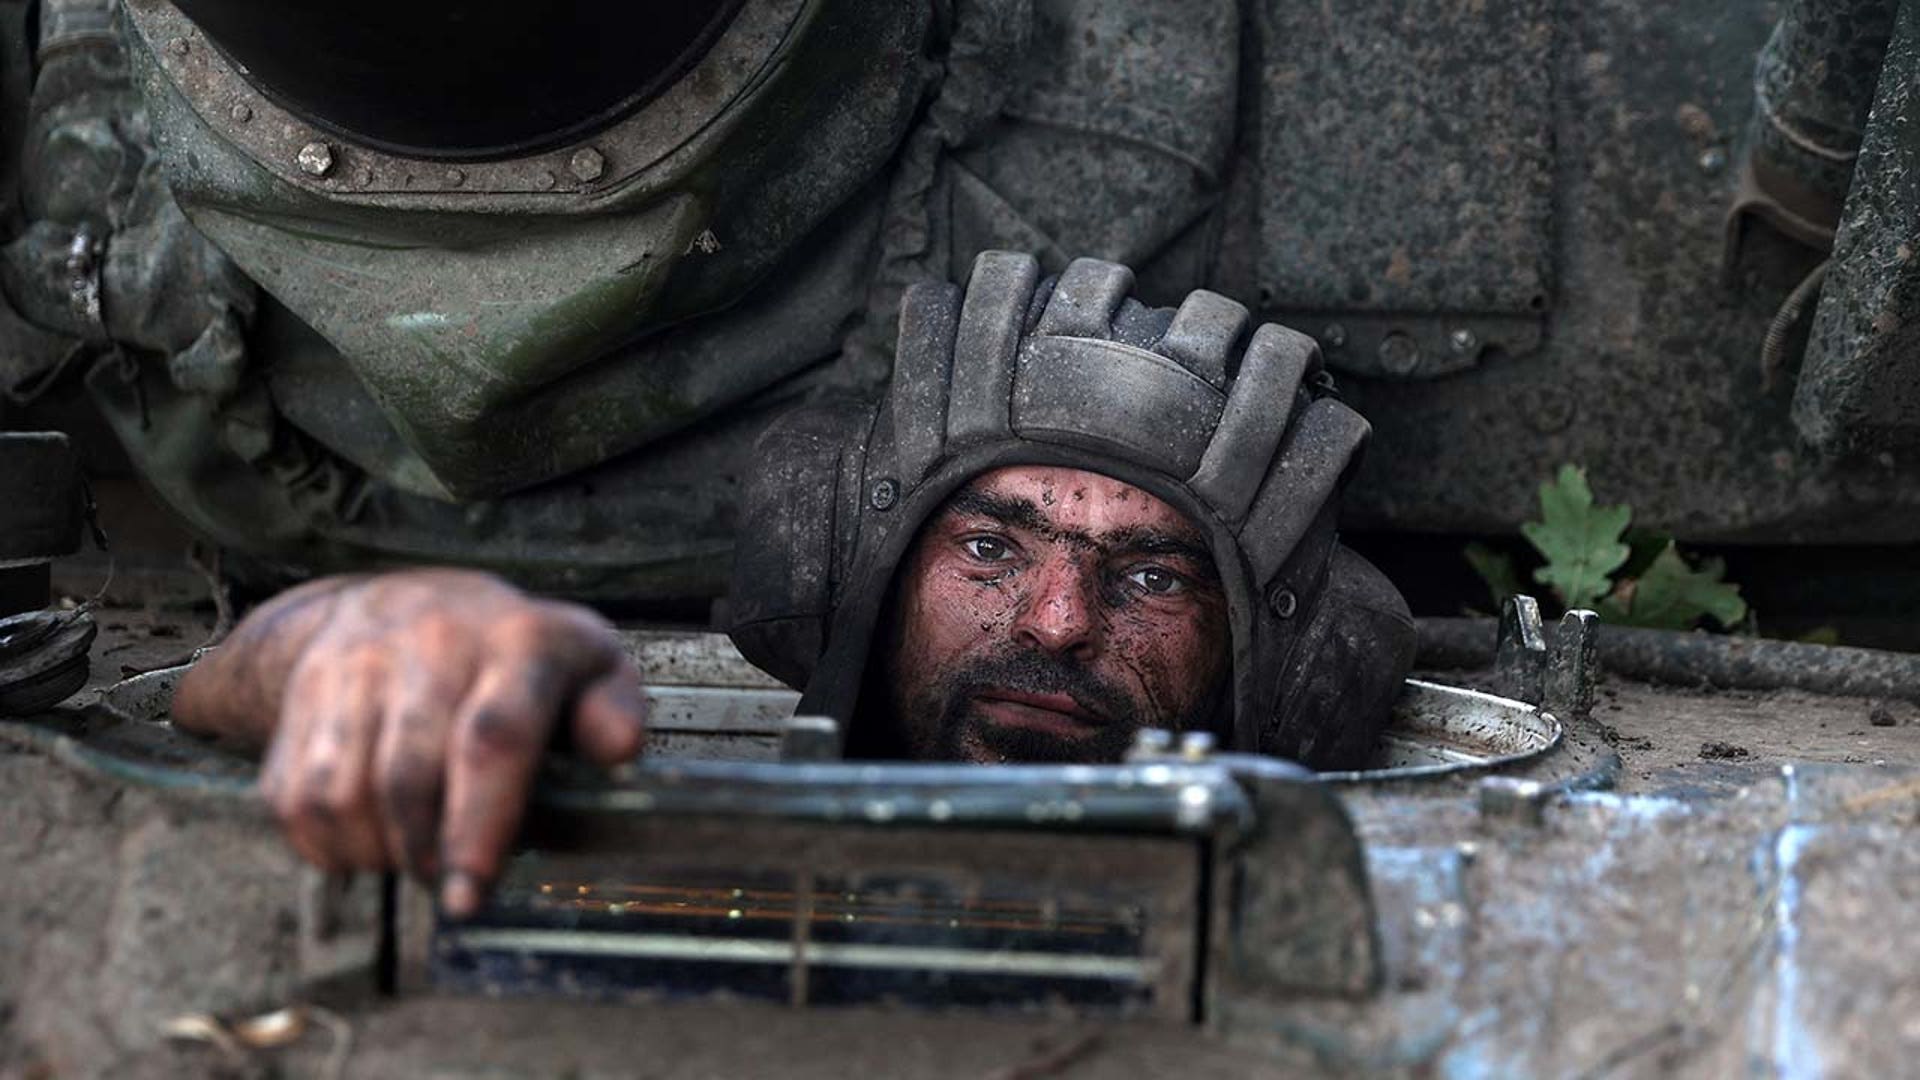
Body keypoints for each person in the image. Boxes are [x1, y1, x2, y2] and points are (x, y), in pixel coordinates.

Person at [172, 253, 1416, 917]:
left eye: (1151, 576)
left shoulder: (1331, 918)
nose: (1057, 622)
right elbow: (185, 706)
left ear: (1269, 655)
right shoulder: (614, 779)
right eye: (990, 548)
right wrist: (348, 635)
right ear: (854, 573)